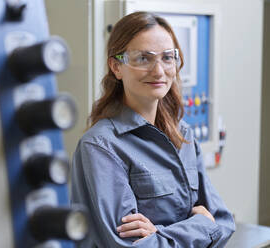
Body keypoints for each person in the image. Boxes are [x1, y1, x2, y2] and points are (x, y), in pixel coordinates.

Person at [70, 11, 235, 247]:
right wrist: (201, 226)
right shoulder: (100, 147)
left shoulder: (183, 135)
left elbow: (223, 221)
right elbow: (129, 246)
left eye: (167, 57)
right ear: (117, 67)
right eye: (143, 58)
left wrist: (157, 232)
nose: (158, 71)